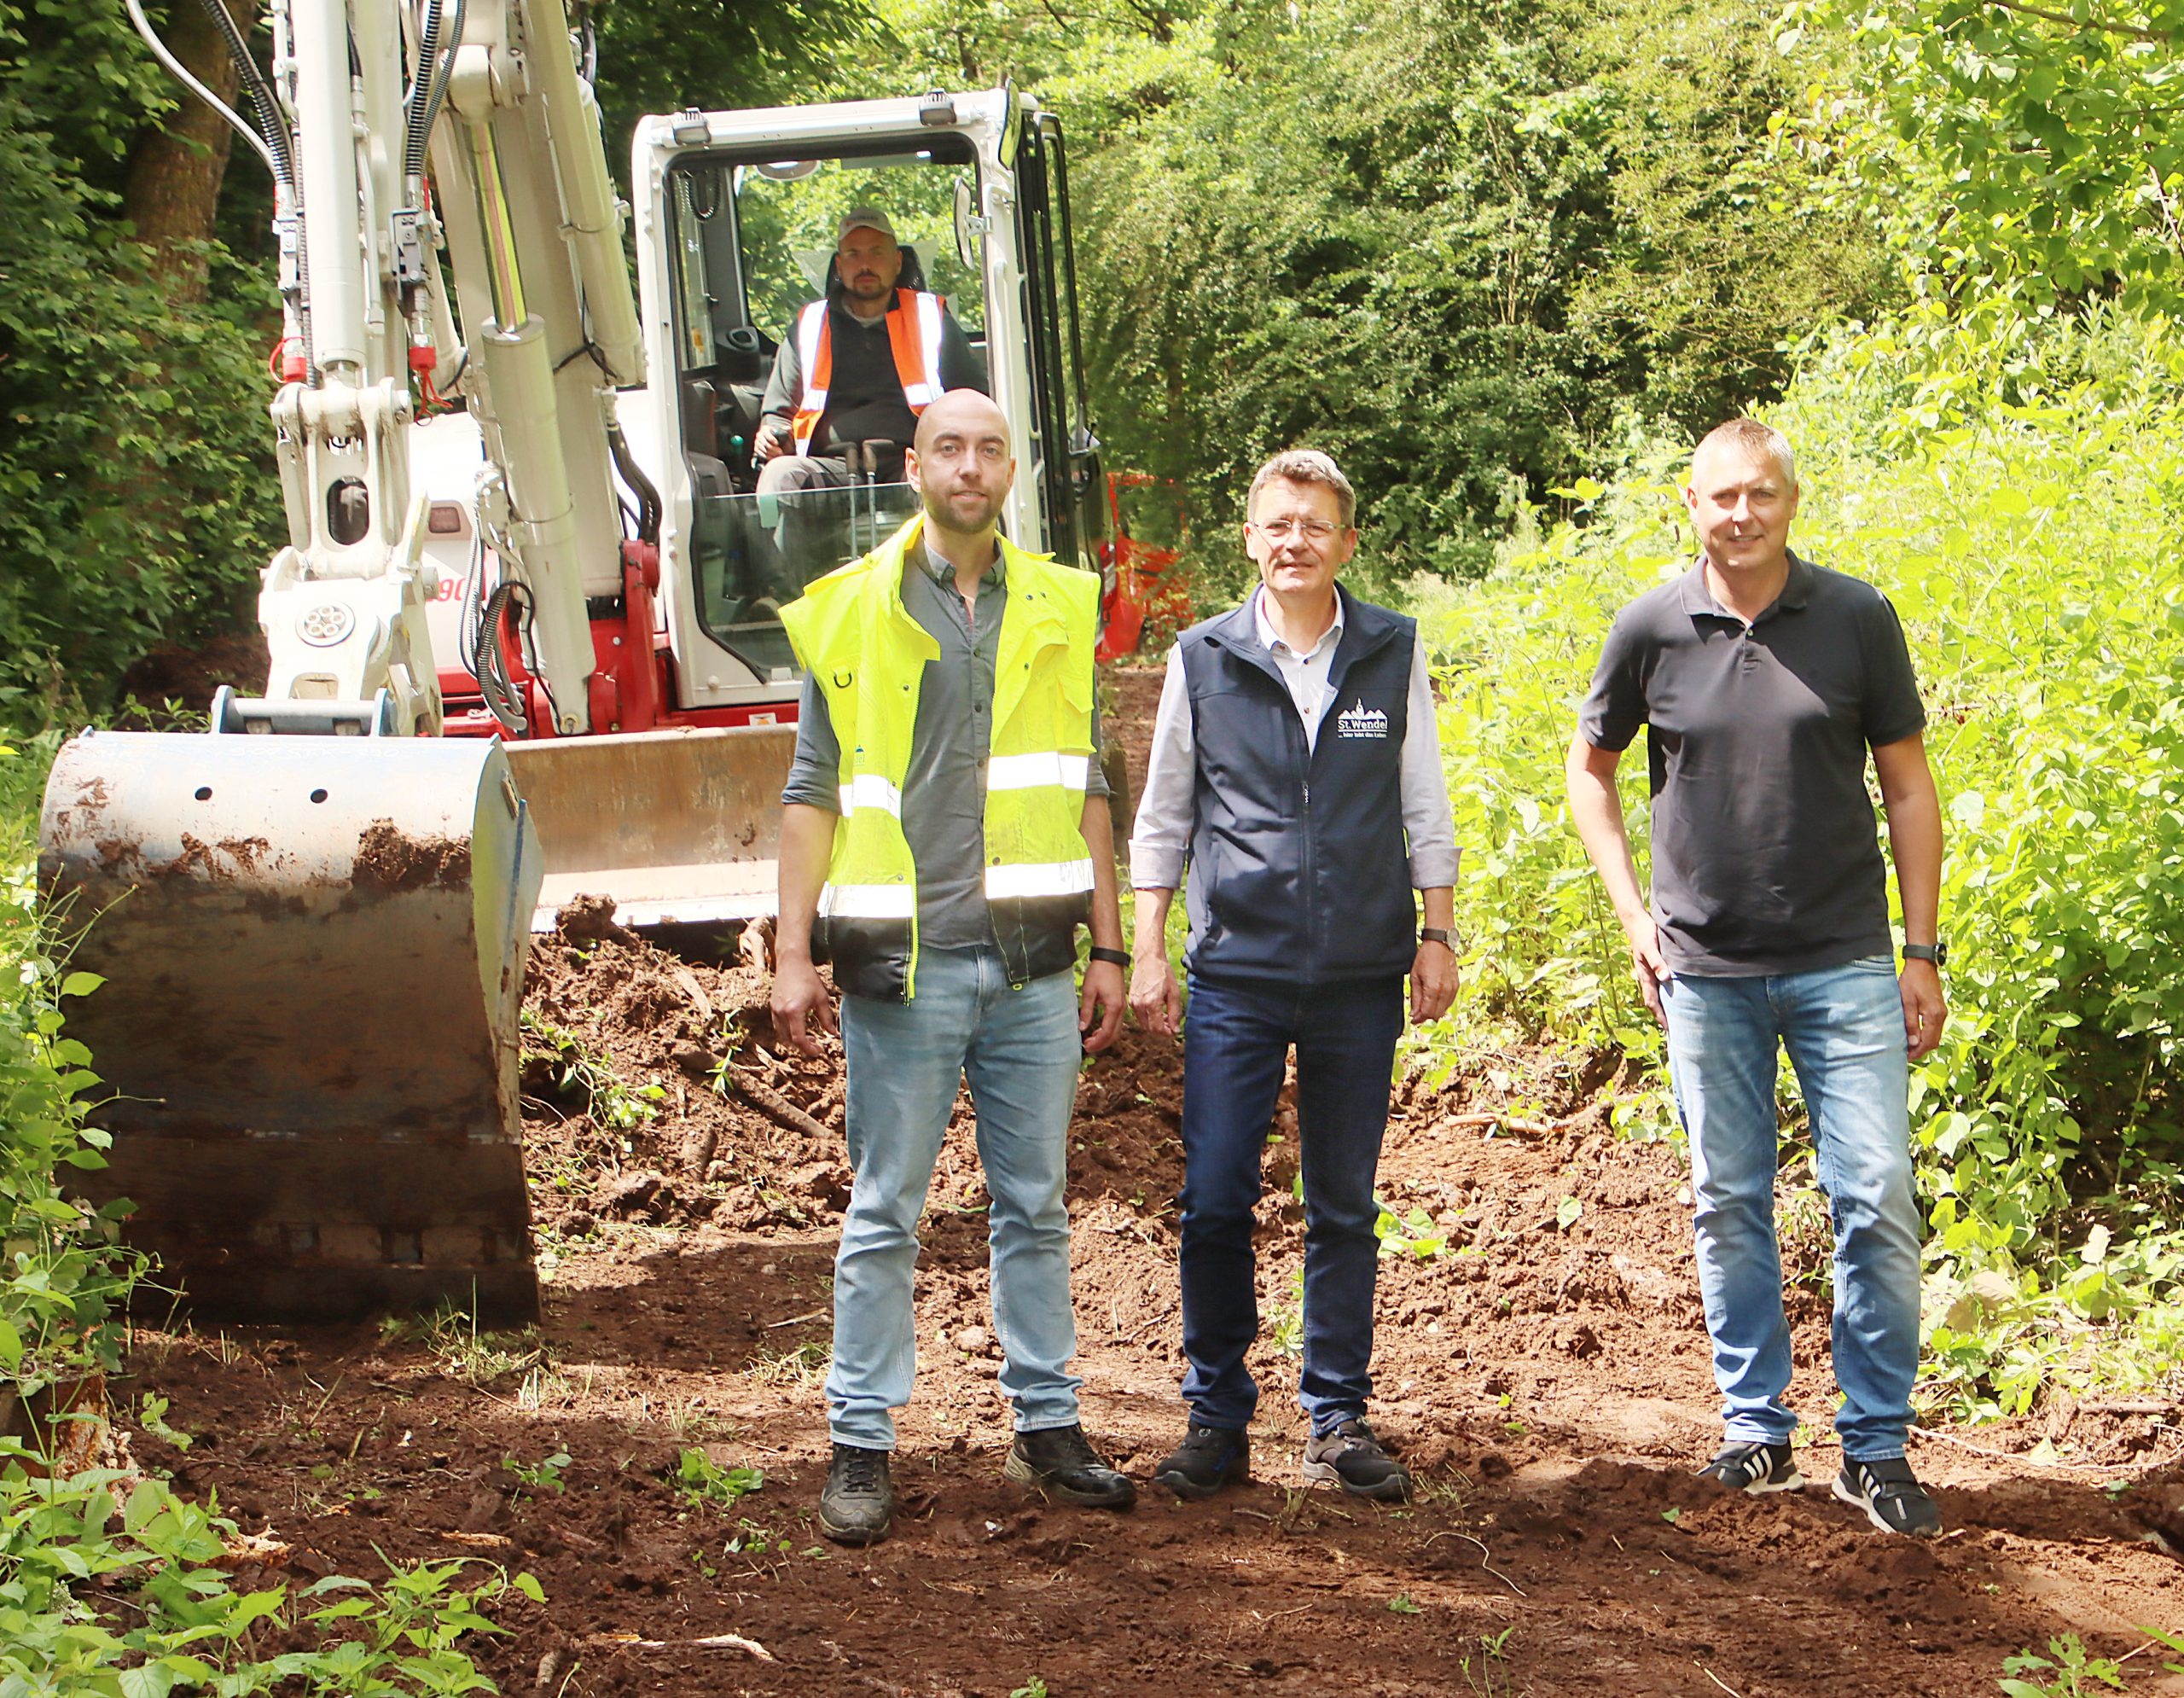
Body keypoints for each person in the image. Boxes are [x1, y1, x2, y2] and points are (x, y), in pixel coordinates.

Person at [1564, 417, 1949, 1538]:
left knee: (1874, 1198)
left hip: (1846, 965)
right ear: (1691, 502)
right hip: (1707, 973)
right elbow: (1590, 777)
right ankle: (1757, 1431)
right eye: (1722, 496)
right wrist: (1636, 916)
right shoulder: (1650, 625)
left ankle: (1873, 1449)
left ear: (1792, 500)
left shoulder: (1856, 618)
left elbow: (1911, 791)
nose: (1742, 513)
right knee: (1728, 1202)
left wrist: (1919, 950)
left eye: (1762, 494)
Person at [770, 388, 1135, 1548]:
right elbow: (811, 794)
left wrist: (1113, 940)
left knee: (1032, 1205)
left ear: (1012, 469)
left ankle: (1049, 1423)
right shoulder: (852, 614)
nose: (968, 466)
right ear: (915, 468)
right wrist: (792, 951)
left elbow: (1088, 786)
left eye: (987, 449)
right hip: (906, 970)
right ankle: (862, 1442)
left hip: (1030, 967)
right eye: (948, 448)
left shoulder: (1062, 609)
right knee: (885, 1211)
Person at [1127, 449, 1461, 1503]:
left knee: (1343, 1206)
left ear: (1346, 543)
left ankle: (1336, 1416)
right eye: (1277, 523)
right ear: (1251, 538)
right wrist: (1145, 944)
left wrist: (1437, 928)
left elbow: (1424, 801)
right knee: (1216, 1195)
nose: (1294, 541)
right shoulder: (1201, 657)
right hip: (1236, 971)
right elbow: (1165, 812)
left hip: (1361, 974)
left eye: (1315, 525)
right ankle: (1215, 1414)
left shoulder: (1391, 650)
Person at [755, 208, 987, 501]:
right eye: (853, 254)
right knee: (778, 477)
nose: (865, 264)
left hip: (913, 464)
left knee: (941, 478)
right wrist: (772, 436)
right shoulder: (809, 325)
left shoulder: (930, 317)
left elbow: (974, 400)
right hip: (829, 469)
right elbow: (778, 415)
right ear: (839, 266)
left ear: (897, 261)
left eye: (876, 252)